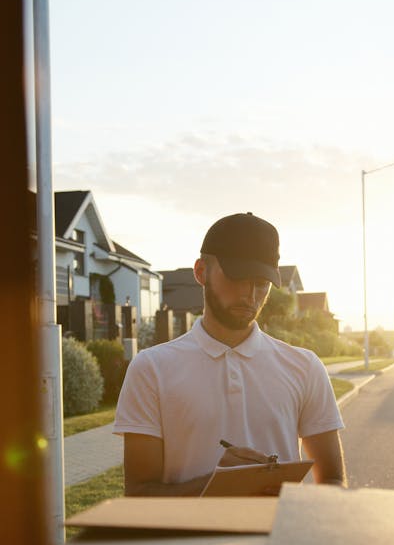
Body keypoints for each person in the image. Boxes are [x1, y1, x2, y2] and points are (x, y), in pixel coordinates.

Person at [114, 211, 347, 496]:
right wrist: (221, 486)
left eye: (262, 283)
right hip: (187, 542)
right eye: (238, 276)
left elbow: (333, 481)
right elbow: (138, 494)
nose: (250, 294)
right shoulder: (151, 369)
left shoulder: (305, 366)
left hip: (277, 540)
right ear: (201, 272)